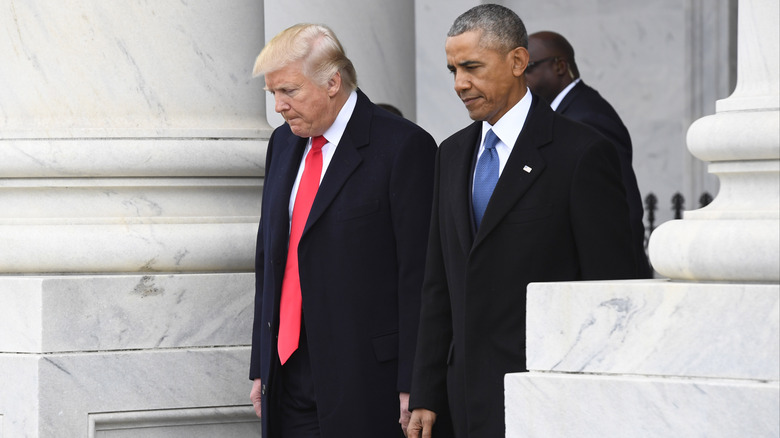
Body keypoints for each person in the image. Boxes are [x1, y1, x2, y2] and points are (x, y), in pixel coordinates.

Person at [407, 5, 639, 437]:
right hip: (463, 401)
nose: (460, 84)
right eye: (453, 69)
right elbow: (439, 283)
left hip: (549, 397)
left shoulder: (581, 153)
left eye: (472, 67)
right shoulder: (451, 154)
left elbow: (611, 289)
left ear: (517, 62)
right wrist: (425, 391)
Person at [248, 23, 437, 438]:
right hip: (287, 376)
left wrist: (416, 383)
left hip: (368, 382)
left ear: (333, 82)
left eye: (289, 92)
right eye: (272, 93)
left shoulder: (404, 146)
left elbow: (420, 275)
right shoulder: (282, 144)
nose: (279, 106)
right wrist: (262, 366)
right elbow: (271, 260)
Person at [525, 30, 652, 278]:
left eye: (528, 68)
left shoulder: (588, 118)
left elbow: (623, 210)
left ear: (559, 66)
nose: (520, 78)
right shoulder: (564, 113)